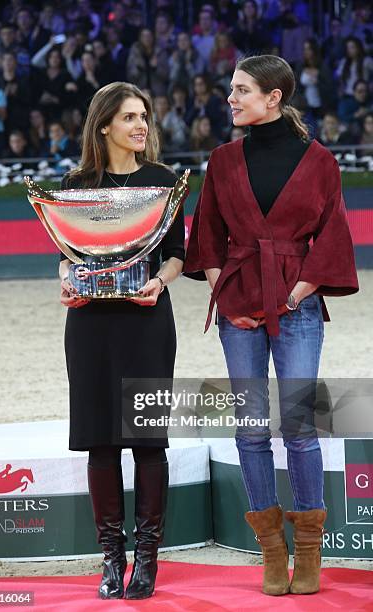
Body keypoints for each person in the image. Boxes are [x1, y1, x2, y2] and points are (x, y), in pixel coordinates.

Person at [184, 55, 358, 596]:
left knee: (300, 429)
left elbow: (332, 234)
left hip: (299, 307)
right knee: (251, 430)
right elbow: (207, 235)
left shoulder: (320, 160)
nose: (230, 99)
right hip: (239, 309)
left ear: (273, 97)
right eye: (231, 90)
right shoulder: (222, 160)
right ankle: (272, 552)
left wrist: (297, 292)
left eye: (240, 90)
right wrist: (223, 291)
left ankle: (309, 549)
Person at [59, 82, 185, 599]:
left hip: (147, 320)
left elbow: (177, 254)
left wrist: (160, 280)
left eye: (144, 117)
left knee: (148, 441)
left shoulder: (162, 181)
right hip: (89, 324)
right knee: (100, 439)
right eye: (129, 117)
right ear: (104, 124)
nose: (141, 126)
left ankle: (148, 562)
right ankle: (111, 561)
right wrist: (66, 279)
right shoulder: (76, 182)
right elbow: (66, 254)